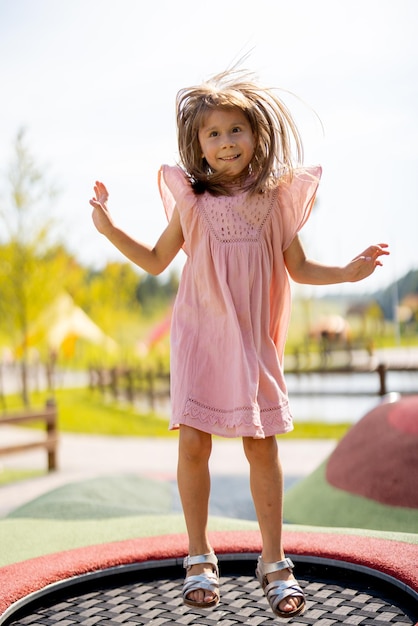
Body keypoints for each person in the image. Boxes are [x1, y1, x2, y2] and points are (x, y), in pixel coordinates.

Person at [89, 67, 389, 618]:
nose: (226, 142)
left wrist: (348, 272)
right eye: (213, 133)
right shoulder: (192, 202)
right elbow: (156, 262)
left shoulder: (275, 200)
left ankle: (273, 559)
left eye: (236, 130)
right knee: (194, 444)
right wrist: (109, 229)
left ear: (256, 137)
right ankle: (199, 554)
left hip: (251, 342)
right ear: (197, 146)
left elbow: (296, 267)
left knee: (262, 444)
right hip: (201, 338)